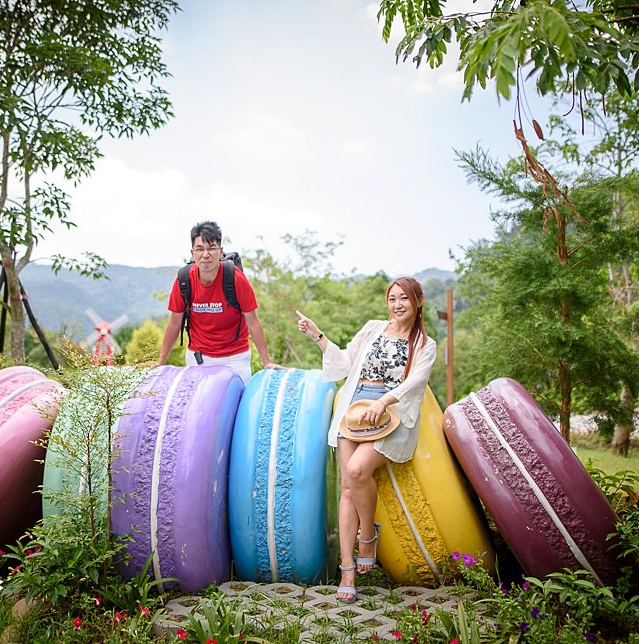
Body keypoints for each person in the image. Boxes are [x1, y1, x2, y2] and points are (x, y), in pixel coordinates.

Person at [295, 276, 437, 604]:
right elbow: (344, 364)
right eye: (392, 298)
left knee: (358, 470)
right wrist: (318, 335)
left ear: (417, 302)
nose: (397, 304)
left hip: (390, 415)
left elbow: (416, 382)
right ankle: (347, 570)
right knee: (347, 487)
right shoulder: (373, 328)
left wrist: (384, 401)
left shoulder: (424, 345)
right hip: (355, 410)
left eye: (404, 298)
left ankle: (368, 537)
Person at [157, 220, 278, 384]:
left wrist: (266, 362)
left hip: (235, 359)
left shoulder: (235, 279)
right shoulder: (184, 280)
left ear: (220, 252)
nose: (205, 254)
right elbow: (174, 323)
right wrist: (160, 361)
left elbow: (253, 322)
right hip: (198, 358)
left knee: (235, 406)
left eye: (211, 248)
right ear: (192, 253)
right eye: (200, 249)